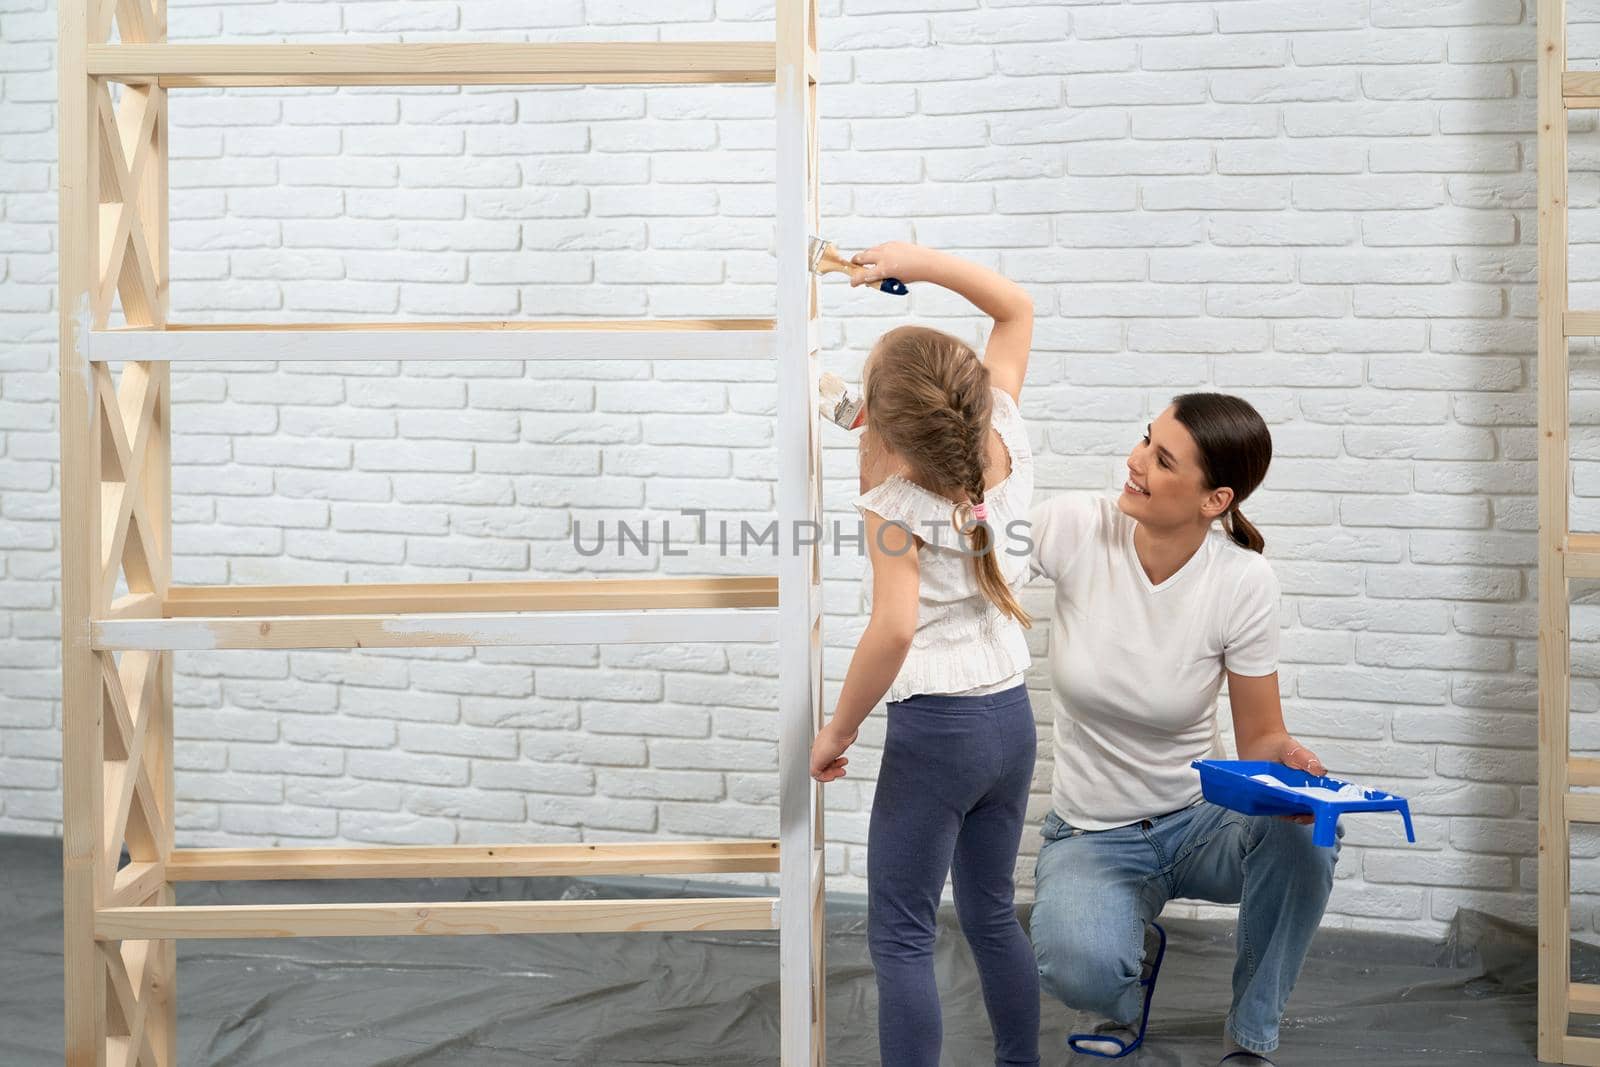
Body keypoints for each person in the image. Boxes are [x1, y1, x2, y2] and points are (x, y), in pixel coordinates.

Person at [1027, 394, 1339, 1067]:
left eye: (1162, 459)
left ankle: (1250, 1034)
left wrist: (1287, 765)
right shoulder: (1076, 526)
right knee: (1076, 965)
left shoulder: (1242, 579)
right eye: (1145, 440)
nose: (1135, 461)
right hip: (1093, 832)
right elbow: (975, 557)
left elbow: (1260, 736)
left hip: (1202, 817)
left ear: (1213, 498)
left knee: (1310, 833)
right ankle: (1120, 975)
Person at [809, 240, 1040, 1067]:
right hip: (1012, 721)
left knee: (902, 937)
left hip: (939, 733)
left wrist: (836, 731)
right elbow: (1014, 307)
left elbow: (895, 628)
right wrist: (919, 261)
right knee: (987, 913)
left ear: (891, 436)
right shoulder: (1003, 430)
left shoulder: (891, 496)